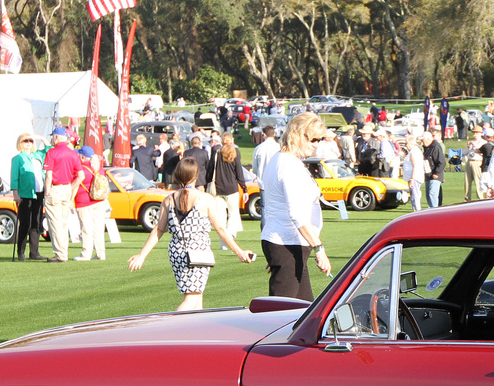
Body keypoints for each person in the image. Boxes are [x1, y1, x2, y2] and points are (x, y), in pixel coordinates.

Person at [128, 157, 254, 311]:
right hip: (198, 251)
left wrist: (142, 255)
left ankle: (195, 332)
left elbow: (158, 230)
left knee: (196, 296)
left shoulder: (168, 200)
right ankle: (170, 330)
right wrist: (239, 252)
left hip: (176, 252)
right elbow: (220, 229)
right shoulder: (206, 199)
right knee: (192, 297)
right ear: (196, 176)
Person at [258, 112, 332, 300]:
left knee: (304, 310)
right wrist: (320, 249)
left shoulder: (281, 160)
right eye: (313, 139)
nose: (316, 144)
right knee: (281, 313)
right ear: (299, 135)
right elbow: (297, 214)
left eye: (320, 139)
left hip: (288, 246)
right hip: (287, 244)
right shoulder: (289, 165)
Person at [42, 127, 80, 261]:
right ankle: (63, 252)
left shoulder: (52, 153)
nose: (52, 139)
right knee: (63, 222)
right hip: (67, 189)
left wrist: (47, 192)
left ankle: (60, 254)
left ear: (57, 137)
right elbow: (79, 176)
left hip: (55, 189)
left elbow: (48, 176)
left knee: (55, 223)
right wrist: (71, 187)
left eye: (53, 136)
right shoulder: (73, 153)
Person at [8, 134, 44, 260]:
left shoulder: (37, 156)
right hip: (25, 193)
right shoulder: (18, 158)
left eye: (30, 141)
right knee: (25, 223)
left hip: (38, 192)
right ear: (20, 143)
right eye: (25, 141)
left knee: (36, 222)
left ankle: (34, 252)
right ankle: (21, 251)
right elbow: (14, 177)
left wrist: (41, 138)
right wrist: (15, 193)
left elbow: (49, 148)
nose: (29, 143)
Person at [74, 145, 109, 262]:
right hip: (99, 201)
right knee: (98, 228)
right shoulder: (99, 169)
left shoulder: (82, 170)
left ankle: (86, 253)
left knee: (86, 228)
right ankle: (101, 253)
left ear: (83, 157)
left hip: (84, 202)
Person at [402, 134, 426, 211]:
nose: (406, 145)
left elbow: (415, 165)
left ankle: (417, 211)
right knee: (413, 195)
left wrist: (412, 178)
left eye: (406, 143)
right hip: (413, 177)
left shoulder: (414, 152)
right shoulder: (413, 151)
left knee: (415, 196)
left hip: (414, 177)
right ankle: (415, 210)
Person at [463, 128, 488, 201]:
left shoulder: (484, 142)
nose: (475, 135)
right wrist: (468, 147)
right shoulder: (471, 142)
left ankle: (480, 198)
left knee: (478, 182)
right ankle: (467, 199)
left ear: (480, 133)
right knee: (467, 182)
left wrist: (476, 146)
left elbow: (483, 152)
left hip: (478, 162)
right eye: (474, 133)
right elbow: (465, 152)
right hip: (469, 161)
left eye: (476, 133)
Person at [422, 130, 446, 207]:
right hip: (429, 174)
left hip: (435, 175)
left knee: (432, 194)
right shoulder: (427, 148)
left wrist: (437, 173)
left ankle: (434, 211)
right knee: (428, 194)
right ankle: (431, 211)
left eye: (423, 140)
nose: (422, 142)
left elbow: (442, 162)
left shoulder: (435, 147)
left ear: (427, 139)